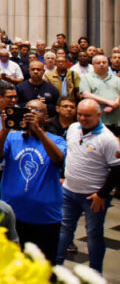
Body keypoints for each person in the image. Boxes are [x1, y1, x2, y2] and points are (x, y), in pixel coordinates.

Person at [0, 99, 66, 262]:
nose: (30, 113)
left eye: (36, 111)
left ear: (45, 117)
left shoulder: (57, 140)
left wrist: (38, 132)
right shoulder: (12, 138)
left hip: (45, 217)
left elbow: (58, 158)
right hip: (14, 214)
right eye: (27, 110)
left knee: (43, 266)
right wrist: (4, 130)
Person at [55, 100, 120, 273]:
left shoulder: (107, 139)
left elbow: (117, 169)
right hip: (69, 191)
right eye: (80, 114)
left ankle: (95, 273)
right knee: (64, 230)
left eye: (88, 115)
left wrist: (103, 194)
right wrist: (63, 176)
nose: (83, 118)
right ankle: (56, 268)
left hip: (93, 196)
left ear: (98, 115)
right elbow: (69, 154)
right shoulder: (73, 128)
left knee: (93, 235)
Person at [78, 55, 120, 133]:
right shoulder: (87, 78)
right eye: (98, 63)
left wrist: (115, 104)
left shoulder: (116, 79)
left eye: (104, 62)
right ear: (93, 65)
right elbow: (86, 95)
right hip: (98, 121)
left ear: (108, 64)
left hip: (116, 120)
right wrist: (108, 102)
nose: (101, 64)